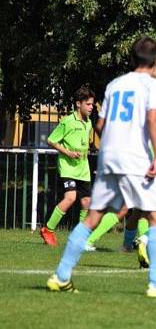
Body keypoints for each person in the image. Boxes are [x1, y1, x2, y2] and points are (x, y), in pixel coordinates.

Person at [46, 37, 156, 297]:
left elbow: (100, 126)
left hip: (108, 157)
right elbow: (151, 119)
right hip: (135, 158)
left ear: (132, 58)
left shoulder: (115, 84)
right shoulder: (155, 87)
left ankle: (61, 276)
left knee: (93, 217)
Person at [40, 87, 95, 246]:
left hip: (83, 168)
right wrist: (68, 152)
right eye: (88, 104)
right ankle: (48, 229)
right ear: (79, 104)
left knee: (86, 202)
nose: (91, 107)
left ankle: (79, 236)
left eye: (92, 104)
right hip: (68, 167)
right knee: (70, 198)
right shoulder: (68, 121)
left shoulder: (88, 122)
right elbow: (51, 140)